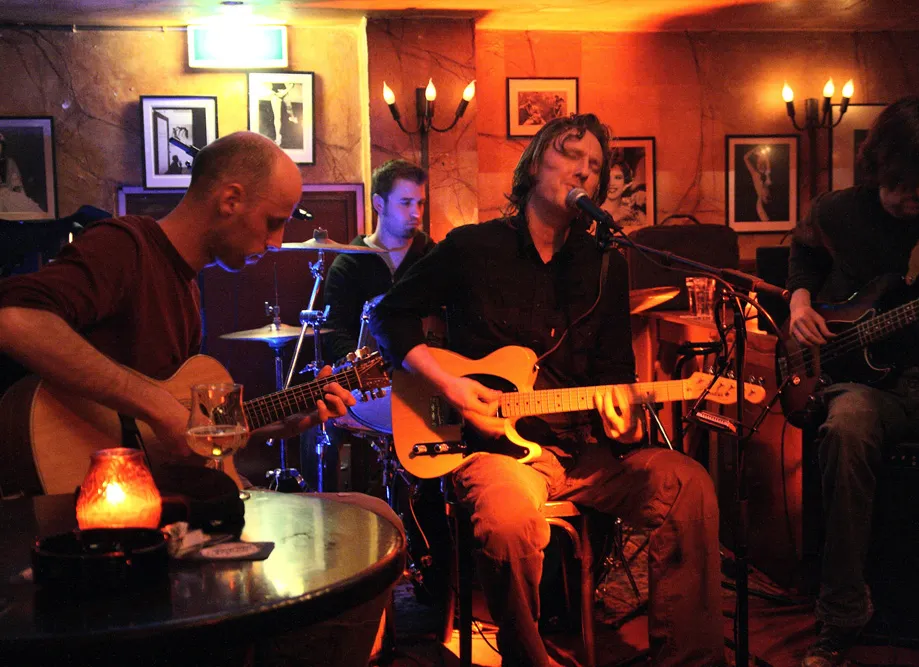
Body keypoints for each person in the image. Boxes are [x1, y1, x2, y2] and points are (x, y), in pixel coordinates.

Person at [370, 113, 724, 667]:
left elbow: (615, 372)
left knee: (689, 485)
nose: (584, 170)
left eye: (595, 165)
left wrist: (623, 421)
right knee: (508, 521)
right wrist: (451, 386)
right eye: (571, 155)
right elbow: (389, 315)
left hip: (584, 450)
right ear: (535, 164)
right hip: (495, 451)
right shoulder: (472, 247)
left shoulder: (606, 265)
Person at [0, 131, 355, 483]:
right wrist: (157, 405)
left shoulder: (187, 287)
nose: (276, 243)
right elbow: (14, 318)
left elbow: (184, 432)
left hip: (144, 492)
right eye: (273, 222)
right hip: (87, 489)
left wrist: (287, 419)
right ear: (230, 200)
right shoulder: (125, 247)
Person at [786, 97, 919, 667]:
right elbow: (803, 252)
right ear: (880, 162)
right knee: (845, 430)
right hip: (861, 382)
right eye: (907, 181)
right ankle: (840, 617)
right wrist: (800, 301)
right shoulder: (838, 211)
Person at [321, 159, 434, 364]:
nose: (416, 213)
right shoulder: (348, 265)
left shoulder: (431, 256)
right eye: (406, 203)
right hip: (371, 378)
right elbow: (335, 333)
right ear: (379, 204)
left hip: (428, 373)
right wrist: (364, 369)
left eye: (420, 203)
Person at [0, 131, 43, 215]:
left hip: (8, 195)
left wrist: (18, 192)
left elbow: (16, 183)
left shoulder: (10, 162)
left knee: (26, 208)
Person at [601, 152, 647, 227]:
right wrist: (614, 218)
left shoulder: (634, 214)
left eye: (618, 178)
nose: (611, 183)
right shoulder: (592, 212)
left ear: (626, 183)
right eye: (608, 177)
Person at [743, 144, 773, 222]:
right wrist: (755, 148)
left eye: (761, 163)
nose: (760, 165)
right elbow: (745, 158)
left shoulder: (767, 174)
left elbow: (767, 162)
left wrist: (764, 155)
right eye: (758, 163)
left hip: (769, 202)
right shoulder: (755, 174)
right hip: (761, 203)